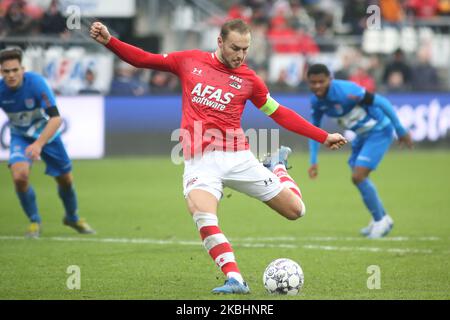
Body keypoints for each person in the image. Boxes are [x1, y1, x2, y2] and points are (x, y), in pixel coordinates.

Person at [90, 19, 347, 294]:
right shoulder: (189, 61)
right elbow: (143, 59)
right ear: (220, 42)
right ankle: (235, 279)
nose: (240, 55)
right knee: (202, 214)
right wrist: (109, 41)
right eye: (236, 48)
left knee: (296, 211)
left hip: (238, 158)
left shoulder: (250, 80)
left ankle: (278, 168)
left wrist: (323, 135)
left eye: (246, 49)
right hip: (200, 161)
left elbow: (279, 112)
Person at [306, 63, 413, 239]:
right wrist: (313, 160)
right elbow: (314, 130)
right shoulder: (316, 101)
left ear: (330, 80)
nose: (317, 86)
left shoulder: (347, 91)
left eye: (321, 82)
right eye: (313, 82)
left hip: (379, 131)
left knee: (358, 176)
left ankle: (380, 221)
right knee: (358, 177)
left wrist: (400, 129)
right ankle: (382, 217)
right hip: (361, 137)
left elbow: (382, 102)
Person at [0, 48, 95, 238]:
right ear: (1, 72)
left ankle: (72, 217)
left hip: (47, 135)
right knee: (19, 177)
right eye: (6, 71)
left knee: (65, 180)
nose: (11, 75)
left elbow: (56, 119)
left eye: (15, 70)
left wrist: (38, 144)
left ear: (23, 69)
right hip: (20, 135)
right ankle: (35, 221)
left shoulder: (36, 83)